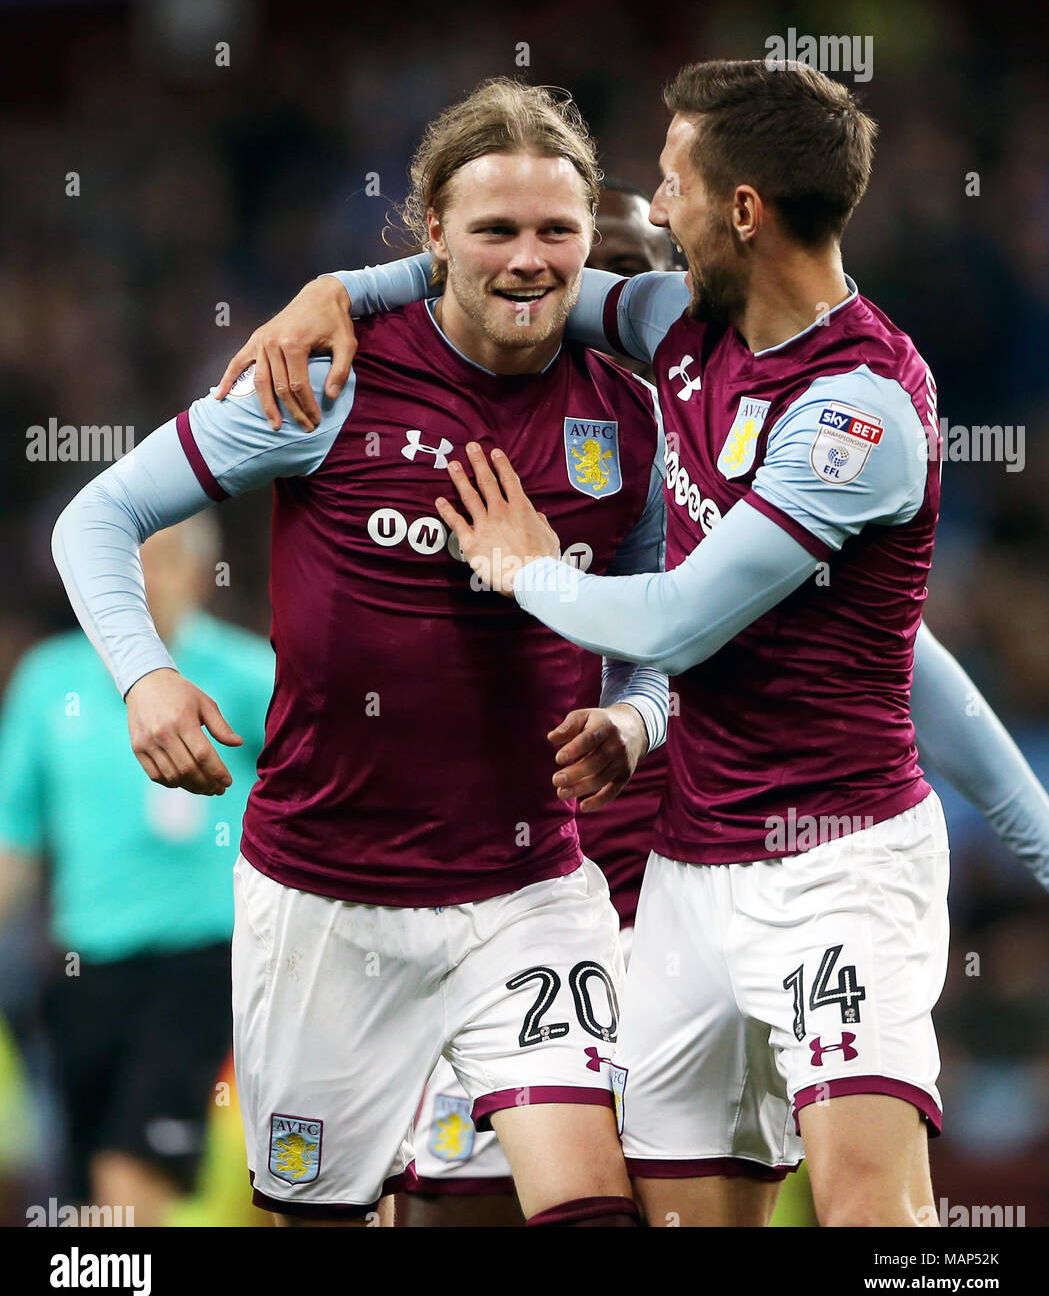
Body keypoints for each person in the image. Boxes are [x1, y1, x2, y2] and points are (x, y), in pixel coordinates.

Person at [220, 60, 1049, 1228]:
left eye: (668, 188)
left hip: (831, 860)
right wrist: (339, 290)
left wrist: (526, 568)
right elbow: (486, 274)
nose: (647, 216)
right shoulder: (675, 332)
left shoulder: (851, 411)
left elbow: (686, 623)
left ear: (739, 210)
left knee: (867, 1209)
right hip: (674, 878)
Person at [51, 80, 673, 1228]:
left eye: (556, 231)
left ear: (590, 237)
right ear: (432, 231)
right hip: (323, 893)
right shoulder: (325, 375)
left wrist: (634, 718)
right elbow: (97, 517)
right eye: (494, 229)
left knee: (588, 1202)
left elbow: (657, 634)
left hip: (530, 888)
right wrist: (144, 673)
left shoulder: (628, 419)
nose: (527, 259)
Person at [402, 179, 677, 1227]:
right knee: (458, 1197)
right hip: (500, 894)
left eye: (632, 278)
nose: (605, 303)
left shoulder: (728, 455)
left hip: (678, 904)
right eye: (589, 276)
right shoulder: (466, 444)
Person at [0, 518, 273, 1225]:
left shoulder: (251, 675)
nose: (144, 580)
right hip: (82, 966)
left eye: (165, 560)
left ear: (200, 575)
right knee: (92, 1190)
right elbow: (15, 836)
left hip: (202, 957)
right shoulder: (49, 681)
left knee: (131, 1176)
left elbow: (318, 799)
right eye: (125, 562)